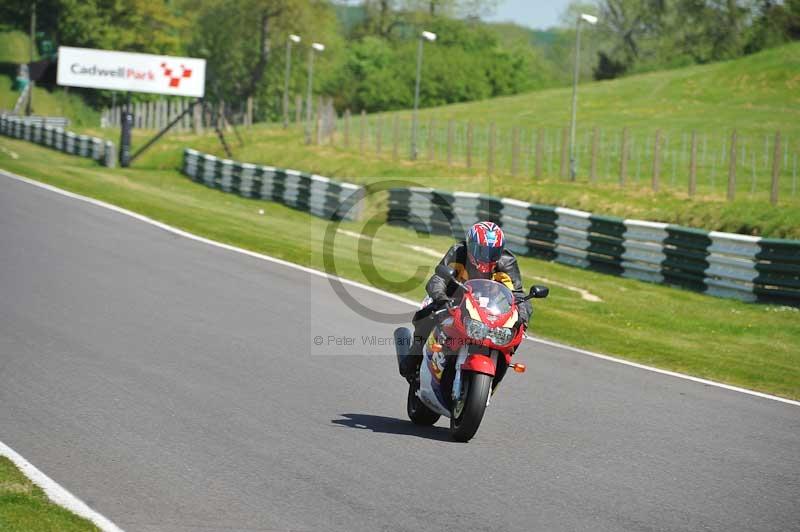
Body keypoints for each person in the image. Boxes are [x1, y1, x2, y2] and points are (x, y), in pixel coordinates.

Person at [399, 221, 532, 380]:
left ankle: (501, 364)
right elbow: (437, 279)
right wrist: (442, 299)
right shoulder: (458, 252)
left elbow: (518, 295)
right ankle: (415, 355)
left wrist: (522, 318)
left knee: (516, 330)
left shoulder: (507, 262)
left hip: (489, 309)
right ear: (470, 245)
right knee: (427, 313)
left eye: (493, 252)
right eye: (481, 251)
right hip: (453, 300)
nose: (487, 257)